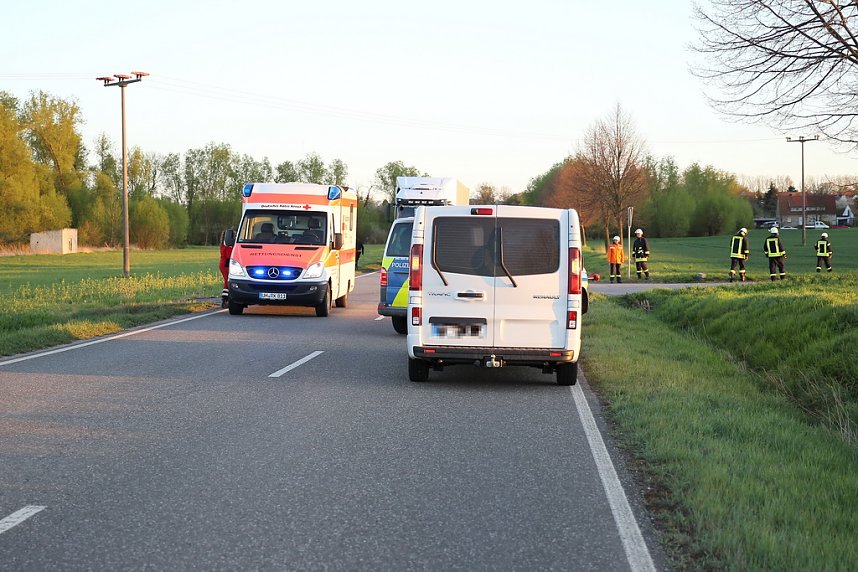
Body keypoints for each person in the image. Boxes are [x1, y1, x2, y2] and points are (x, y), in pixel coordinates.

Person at [219, 229, 234, 308]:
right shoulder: (227, 246)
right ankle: (225, 300)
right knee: (227, 282)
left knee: (226, 281)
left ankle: (226, 299)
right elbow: (229, 256)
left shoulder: (223, 244)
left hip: (223, 264)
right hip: (226, 264)